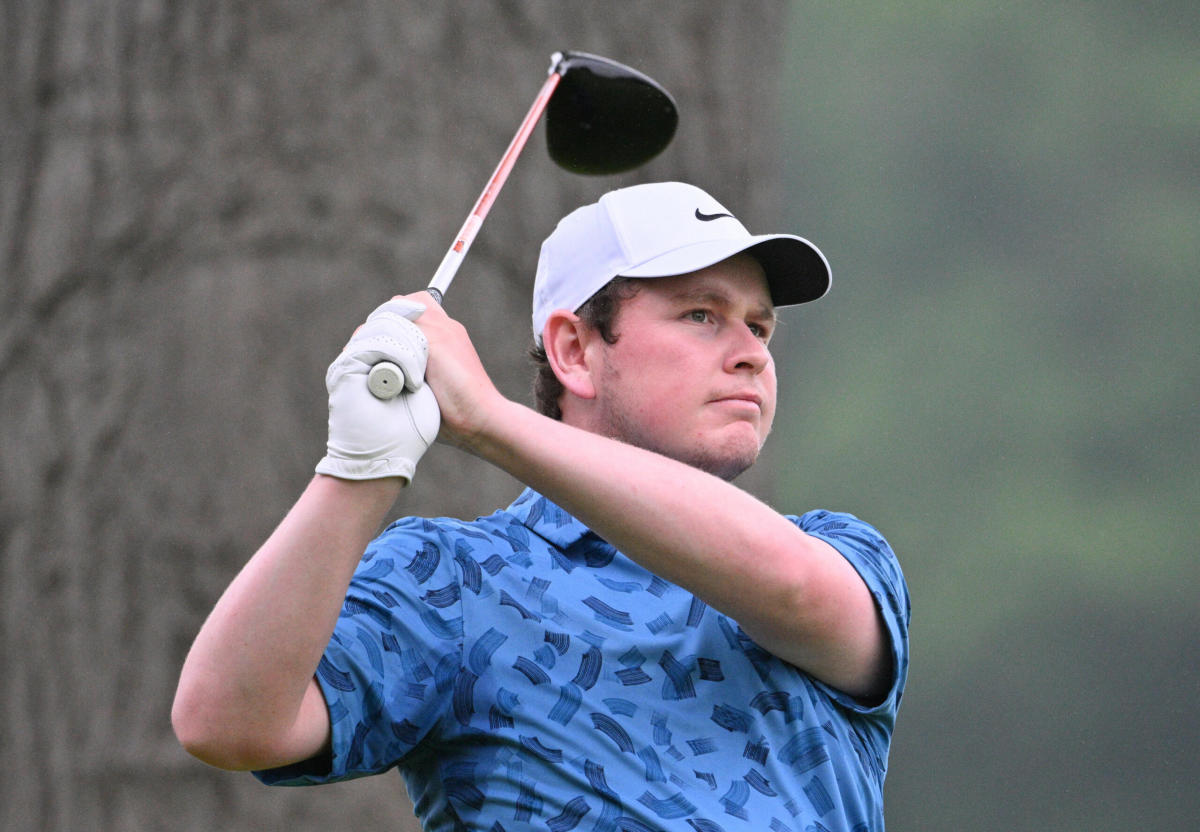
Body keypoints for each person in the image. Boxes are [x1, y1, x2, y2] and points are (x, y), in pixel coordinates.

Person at [172, 181, 911, 832]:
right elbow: (226, 722)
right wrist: (359, 468)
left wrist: (488, 419)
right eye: (700, 315)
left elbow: (788, 582)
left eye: (759, 325)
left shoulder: (839, 550)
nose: (752, 352)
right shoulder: (455, 580)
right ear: (574, 350)